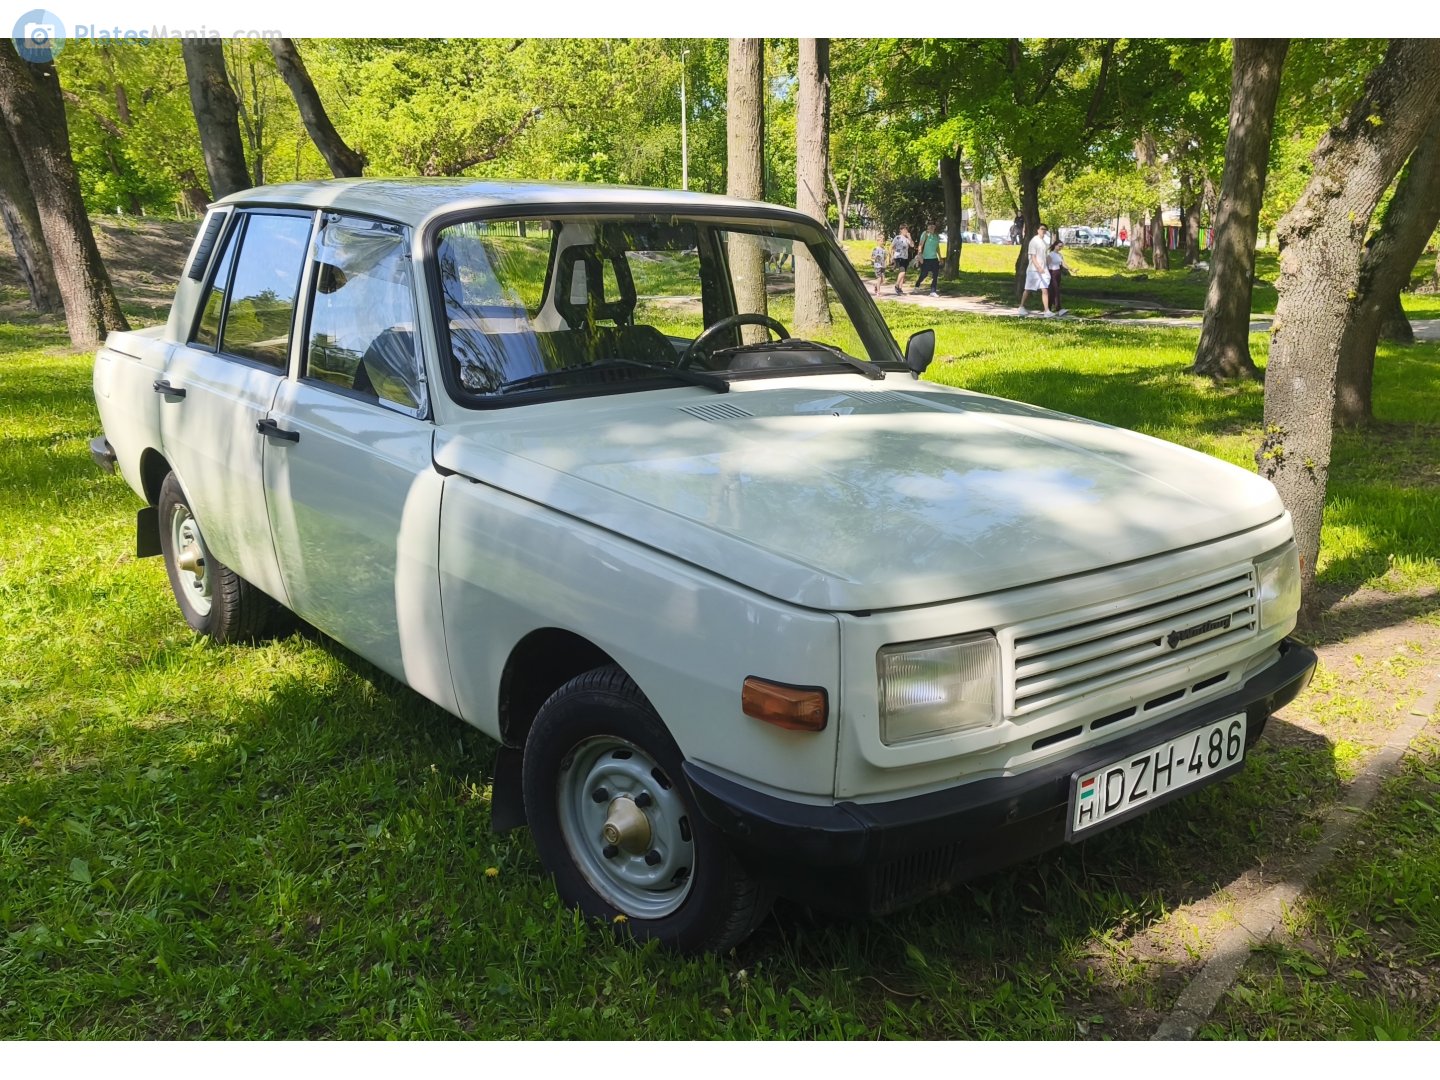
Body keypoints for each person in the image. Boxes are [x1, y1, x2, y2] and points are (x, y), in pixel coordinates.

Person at [1017, 223, 1054, 317]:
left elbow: (1045, 256)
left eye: (1045, 229)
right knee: (1028, 289)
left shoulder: (1044, 242)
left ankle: (1047, 310)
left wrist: (1048, 262)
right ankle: (1021, 307)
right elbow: (1033, 257)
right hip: (1033, 270)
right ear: (1038, 230)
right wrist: (1038, 267)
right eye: (1042, 229)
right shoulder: (1034, 241)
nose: (1044, 231)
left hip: (1043, 270)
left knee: (1045, 289)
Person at [914, 222, 942, 296]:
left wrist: (940, 257)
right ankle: (917, 285)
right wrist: (919, 254)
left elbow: (937, 247)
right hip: (926, 258)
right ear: (928, 227)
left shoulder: (936, 236)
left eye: (933, 226)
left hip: (934, 258)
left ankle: (933, 291)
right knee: (924, 274)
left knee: (935, 275)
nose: (932, 227)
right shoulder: (925, 234)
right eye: (930, 226)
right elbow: (920, 244)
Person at [1046, 237, 1069, 315]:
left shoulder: (1060, 255)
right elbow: (1047, 265)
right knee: (1056, 291)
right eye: (1059, 246)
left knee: (1053, 292)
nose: (1060, 248)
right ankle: (1059, 309)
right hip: (1052, 273)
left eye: (1061, 246)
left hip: (1058, 273)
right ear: (1055, 245)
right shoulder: (1050, 255)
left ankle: (1048, 308)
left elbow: (1063, 264)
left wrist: (1071, 269)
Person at [891, 226, 913, 295]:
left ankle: (900, 289)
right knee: (902, 271)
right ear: (901, 230)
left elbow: (912, 245)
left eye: (906, 230)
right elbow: (892, 246)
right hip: (898, 256)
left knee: (903, 273)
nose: (906, 231)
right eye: (904, 229)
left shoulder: (907, 239)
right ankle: (896, 285)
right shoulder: (897, 237)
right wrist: (892, 256)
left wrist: (909, 237)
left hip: (905, 257)